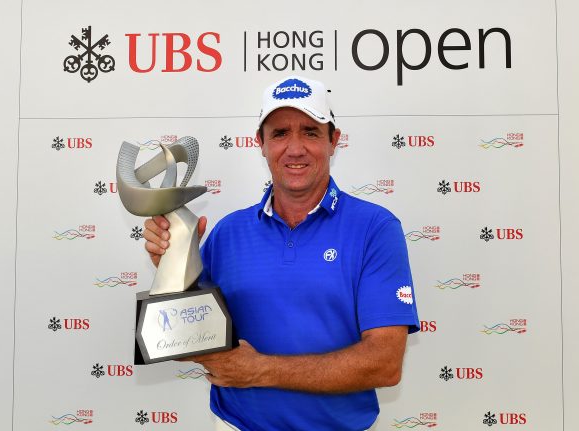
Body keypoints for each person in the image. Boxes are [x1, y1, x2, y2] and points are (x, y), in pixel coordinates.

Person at [143, 76, 419, 431]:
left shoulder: (375, 229)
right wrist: (171, 270)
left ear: (334, 140)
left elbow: (384, 363)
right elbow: (188, 338)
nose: (295, 148)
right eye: (279, 133)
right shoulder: (228, 232)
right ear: (260, 143)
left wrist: (260, 370)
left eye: (310, 131)